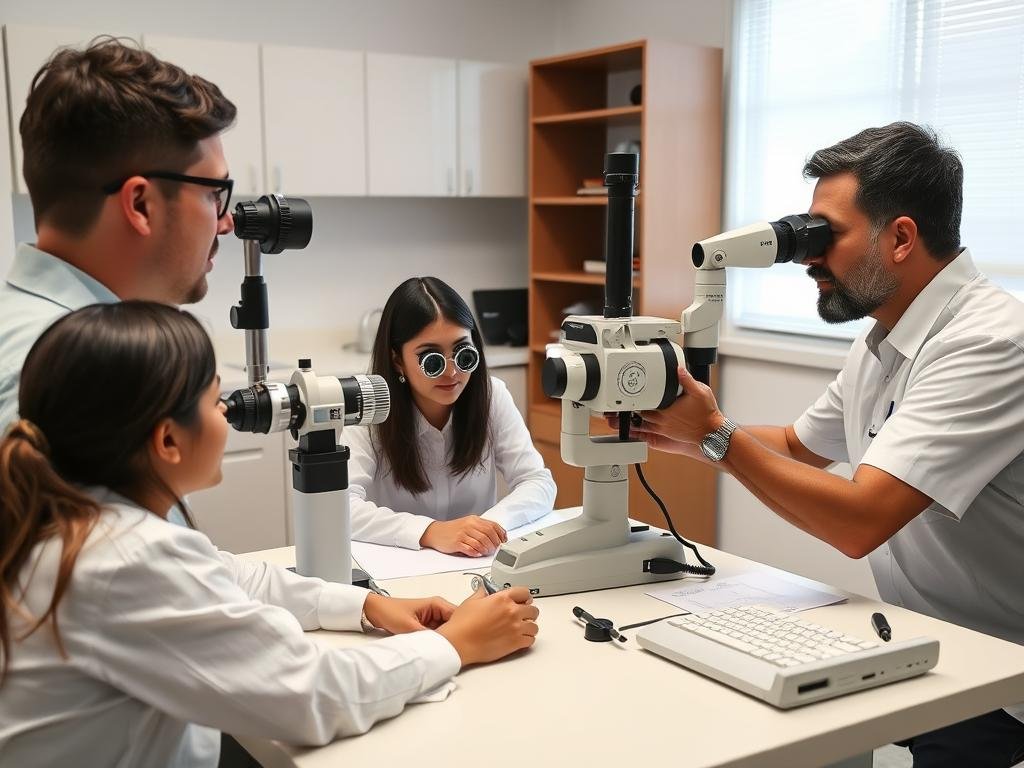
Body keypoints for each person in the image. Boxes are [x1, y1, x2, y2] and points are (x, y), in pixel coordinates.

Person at [623, 122, 1024, 766]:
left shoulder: (990, 343)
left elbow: (861, 519)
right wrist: (674, 430)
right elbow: (796, 445)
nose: (808, 256)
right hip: (934, 641)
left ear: (900, 237)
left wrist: (716, 436)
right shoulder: (887, 337)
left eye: (825, 235)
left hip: (1004, 676)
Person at [0, 302, 540, 766]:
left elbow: (234, 574)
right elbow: (314, 696)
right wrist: (453, 645)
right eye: (216, 401)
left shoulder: (85, 520)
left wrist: (366, 608)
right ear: (168, 441)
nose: (229, 413)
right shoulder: (121, 562)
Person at [0, 37, 238, 430]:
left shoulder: (27, 334)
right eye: (214, 194)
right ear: (141, 205)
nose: (226, 222)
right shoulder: (80, 376)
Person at [347, 277, 556, 556]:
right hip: (398, 570)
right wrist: (429, 532)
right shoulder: (370, 412)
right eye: (431, 359)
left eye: (463, 353)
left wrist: (484, 528)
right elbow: (342, 507)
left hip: (476, 562)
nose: (452, 372)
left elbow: (539, 483)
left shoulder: (492, 397)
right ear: (397, 360)